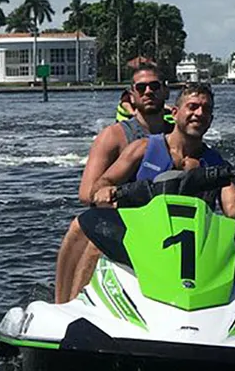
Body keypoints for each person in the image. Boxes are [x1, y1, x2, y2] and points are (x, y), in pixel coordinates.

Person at [53, 64, 174, 303]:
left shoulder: (178, 134)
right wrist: (115, 193)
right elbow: (86, 193)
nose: (148, 91)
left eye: (154, 86)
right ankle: (66, 302)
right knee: (80, 227)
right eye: (141, 87)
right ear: (132, 95)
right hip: (125, 218)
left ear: (166, 91)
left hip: (167, 221)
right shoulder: (114, 136)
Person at [90, 82, 235, 221]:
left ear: (211, 120)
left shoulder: (217, 164)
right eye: (192, 106)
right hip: (139, 240)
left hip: (191, 248)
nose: (199, 113)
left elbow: (232, 209)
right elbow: (103, 182)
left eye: (206, 110)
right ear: (174, 113)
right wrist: (104, 191)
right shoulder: (142, 149)